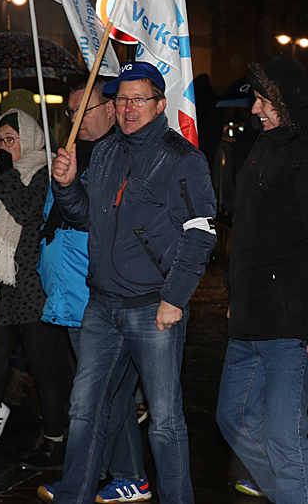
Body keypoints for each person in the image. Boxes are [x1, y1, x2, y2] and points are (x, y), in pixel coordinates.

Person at [49, 61, 216, 504]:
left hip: (153, 309)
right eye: (121, 99)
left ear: (159, 105)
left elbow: (201, 232)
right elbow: (83, 217)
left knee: (164, 422)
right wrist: (66, 186)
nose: (128, 108)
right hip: (102, 307)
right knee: (84, 412)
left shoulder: (182, 158)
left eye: (138, 99)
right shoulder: (105, 153)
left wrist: (174, 298)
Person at [215, 53, 308, 504]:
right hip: (251, 318)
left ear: (288, 101)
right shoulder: (265, 145)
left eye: (264, 101)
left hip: (294, 326)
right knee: (235, 421)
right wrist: (236, 295)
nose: (255, 109)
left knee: (283, 437)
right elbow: (251, 235)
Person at [36, 77, 153, 504]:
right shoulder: (74, 155)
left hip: (96, 297)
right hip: (69, 293)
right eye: (70, 111)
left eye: (83, 109)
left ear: (110, 109)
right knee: (105, 396)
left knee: (100, 398)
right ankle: (125, 476)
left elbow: (96, 223)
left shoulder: (116, 159)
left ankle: (100, 478)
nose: (75, 119)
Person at [0, 106, 71, 471]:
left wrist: (7, 173)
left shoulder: (44, 170)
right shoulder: (9, 173)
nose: (3, 146)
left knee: (43, 367)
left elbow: (27, 211)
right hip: (7, 285)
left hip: (35, 286)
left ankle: (56, 442)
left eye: (11, 139)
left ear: (28, 139)